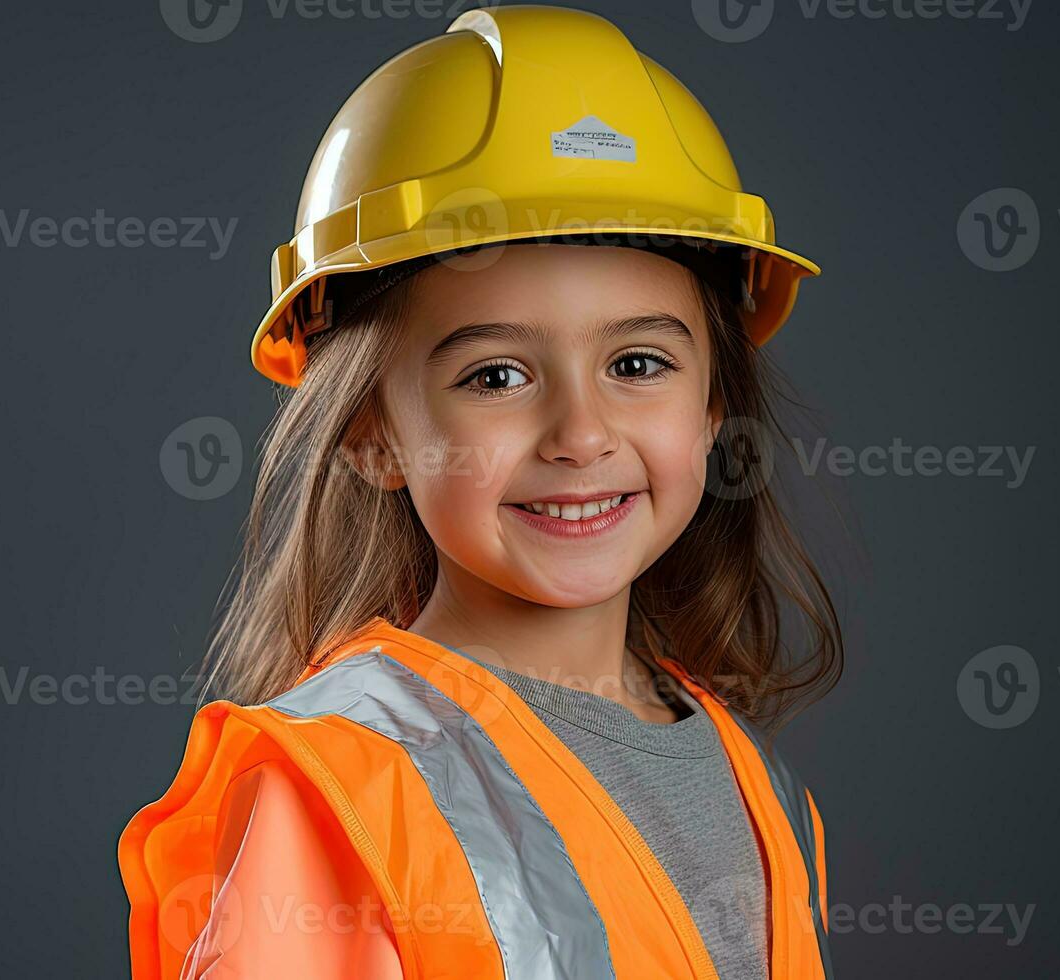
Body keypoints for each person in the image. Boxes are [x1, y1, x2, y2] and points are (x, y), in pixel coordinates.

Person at [118, 6, 842, 978]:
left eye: (637, 361)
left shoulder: (759, 786)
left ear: (713, 408)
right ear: (374, 434)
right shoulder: (348, 782)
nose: (582, 434)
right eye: (496, 375)